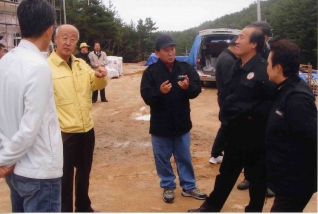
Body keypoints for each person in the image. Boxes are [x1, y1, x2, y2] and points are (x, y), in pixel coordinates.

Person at [188, 25, 277, 212]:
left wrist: (250, 115)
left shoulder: (262, 72)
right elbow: (228, 94)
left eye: (242, 37)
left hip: (255, 139)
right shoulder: (237, 66)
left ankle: (254, 210)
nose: (236, 41)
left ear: (254, 44)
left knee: (258, 179)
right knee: (226, 174)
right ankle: (210, 208)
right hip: (235, 134)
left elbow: (271, 106)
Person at [0, 0, 63, 212]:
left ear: (20, 27)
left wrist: (7, 155)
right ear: (49, 30)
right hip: (39, 172)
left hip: (16, 170)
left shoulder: (6, 61)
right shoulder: (38, 67)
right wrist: (5, 159)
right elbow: (30, 127)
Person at [48, 24, 108, 212]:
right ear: (55, 39)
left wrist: (100, 76)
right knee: (64, 176)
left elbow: (95, 84)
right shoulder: (46, 67)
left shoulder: (81, 64)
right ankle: (64, 210)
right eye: (64, 38)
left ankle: (83, 207)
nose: (68, 42)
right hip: (64, 132)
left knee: (84, 173)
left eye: (73, 39)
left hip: (86, 129)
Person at [140, 34, 207, 204]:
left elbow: (196, 88)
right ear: (157, 53)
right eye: (166, 50)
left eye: (172, 49)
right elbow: (146, 96)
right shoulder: (151, 72)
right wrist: (159, 92)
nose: (170, 53)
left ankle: (189, 186)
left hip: (182, 123)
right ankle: (168, 185)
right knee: (162, 158)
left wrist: (187, 88)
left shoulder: (185, 68)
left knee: (184, 157)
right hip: (160, 125)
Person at [265, 39, 317, 212]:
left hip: (296, 181)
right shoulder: (284, 88)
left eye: (268, 64)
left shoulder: (297, 98)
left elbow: (312, 137)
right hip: (286, 178)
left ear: (278, 67)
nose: (266, 68)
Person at [237, 21, 275, 198]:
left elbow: (271, 93)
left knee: (264, 151)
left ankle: (265, 182)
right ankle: (248, 177)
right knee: (248, 149)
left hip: (262, 118)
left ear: (263, 37)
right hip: (244, 118)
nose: (238, 41)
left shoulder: (270, 55)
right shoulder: (241, 60)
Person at [209, 36, 238, 164]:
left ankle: (217, 153)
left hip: (225, 98)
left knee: (227, 127)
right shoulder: (227, 60)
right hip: (227, 99)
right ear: (236, 46)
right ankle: (215, 154)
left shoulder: (227, 56)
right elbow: (229, 84)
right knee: (226, 127)